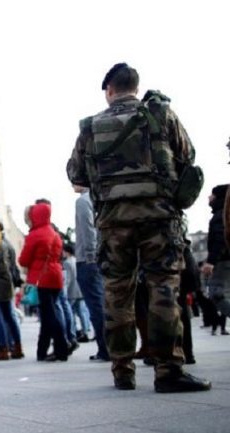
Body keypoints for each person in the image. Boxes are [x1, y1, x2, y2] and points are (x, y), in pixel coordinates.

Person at [67, 62, 210, 392]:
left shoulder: (90, 126)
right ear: (135, 85)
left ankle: (122, 370)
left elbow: (76, 174)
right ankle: (168, 370)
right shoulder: (161, 114)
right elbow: (187, 155)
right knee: (163, 289)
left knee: (117, 293)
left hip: (113, 223)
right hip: (159, 219)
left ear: (109, 91)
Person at [19, 203, 68, 362]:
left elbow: (23, 259)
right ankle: (42, 351)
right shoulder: (54, 233)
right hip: (56, 275)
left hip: (41, 278)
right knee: (48, 315)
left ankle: (62, 349)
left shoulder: (35, 235)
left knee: (49, 316)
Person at [73, 185, 109, 360]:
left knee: (96, 307)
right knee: (103, 303)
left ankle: (105, 348)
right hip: (103, 257)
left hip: (88, 261)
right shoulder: (100, 197)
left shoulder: (83, 201)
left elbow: (88, 229)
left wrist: (90, 256)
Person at [0, 222, 24, 361]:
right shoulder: (7, 243)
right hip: (7, 283)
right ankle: (17, 347)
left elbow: (0, 266)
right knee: (10, 316)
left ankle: (4, 347)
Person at [203, 185, 230, 319]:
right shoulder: (222, 213)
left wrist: (211, 262)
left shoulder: (221, 215)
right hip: (224, 259)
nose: (209, 196)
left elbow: (221, 239)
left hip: (223, 261)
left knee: (216, 294)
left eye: (212, 194)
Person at [63, 244, 92, 343]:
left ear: (67, 252)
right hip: (80, 289)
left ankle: (73, 333)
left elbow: (68, 279)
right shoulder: (75, 260)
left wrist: (64, 289)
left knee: (70, 312)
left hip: (72, 291)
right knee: (81, 312)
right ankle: (85, 331)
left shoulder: (67, 263)